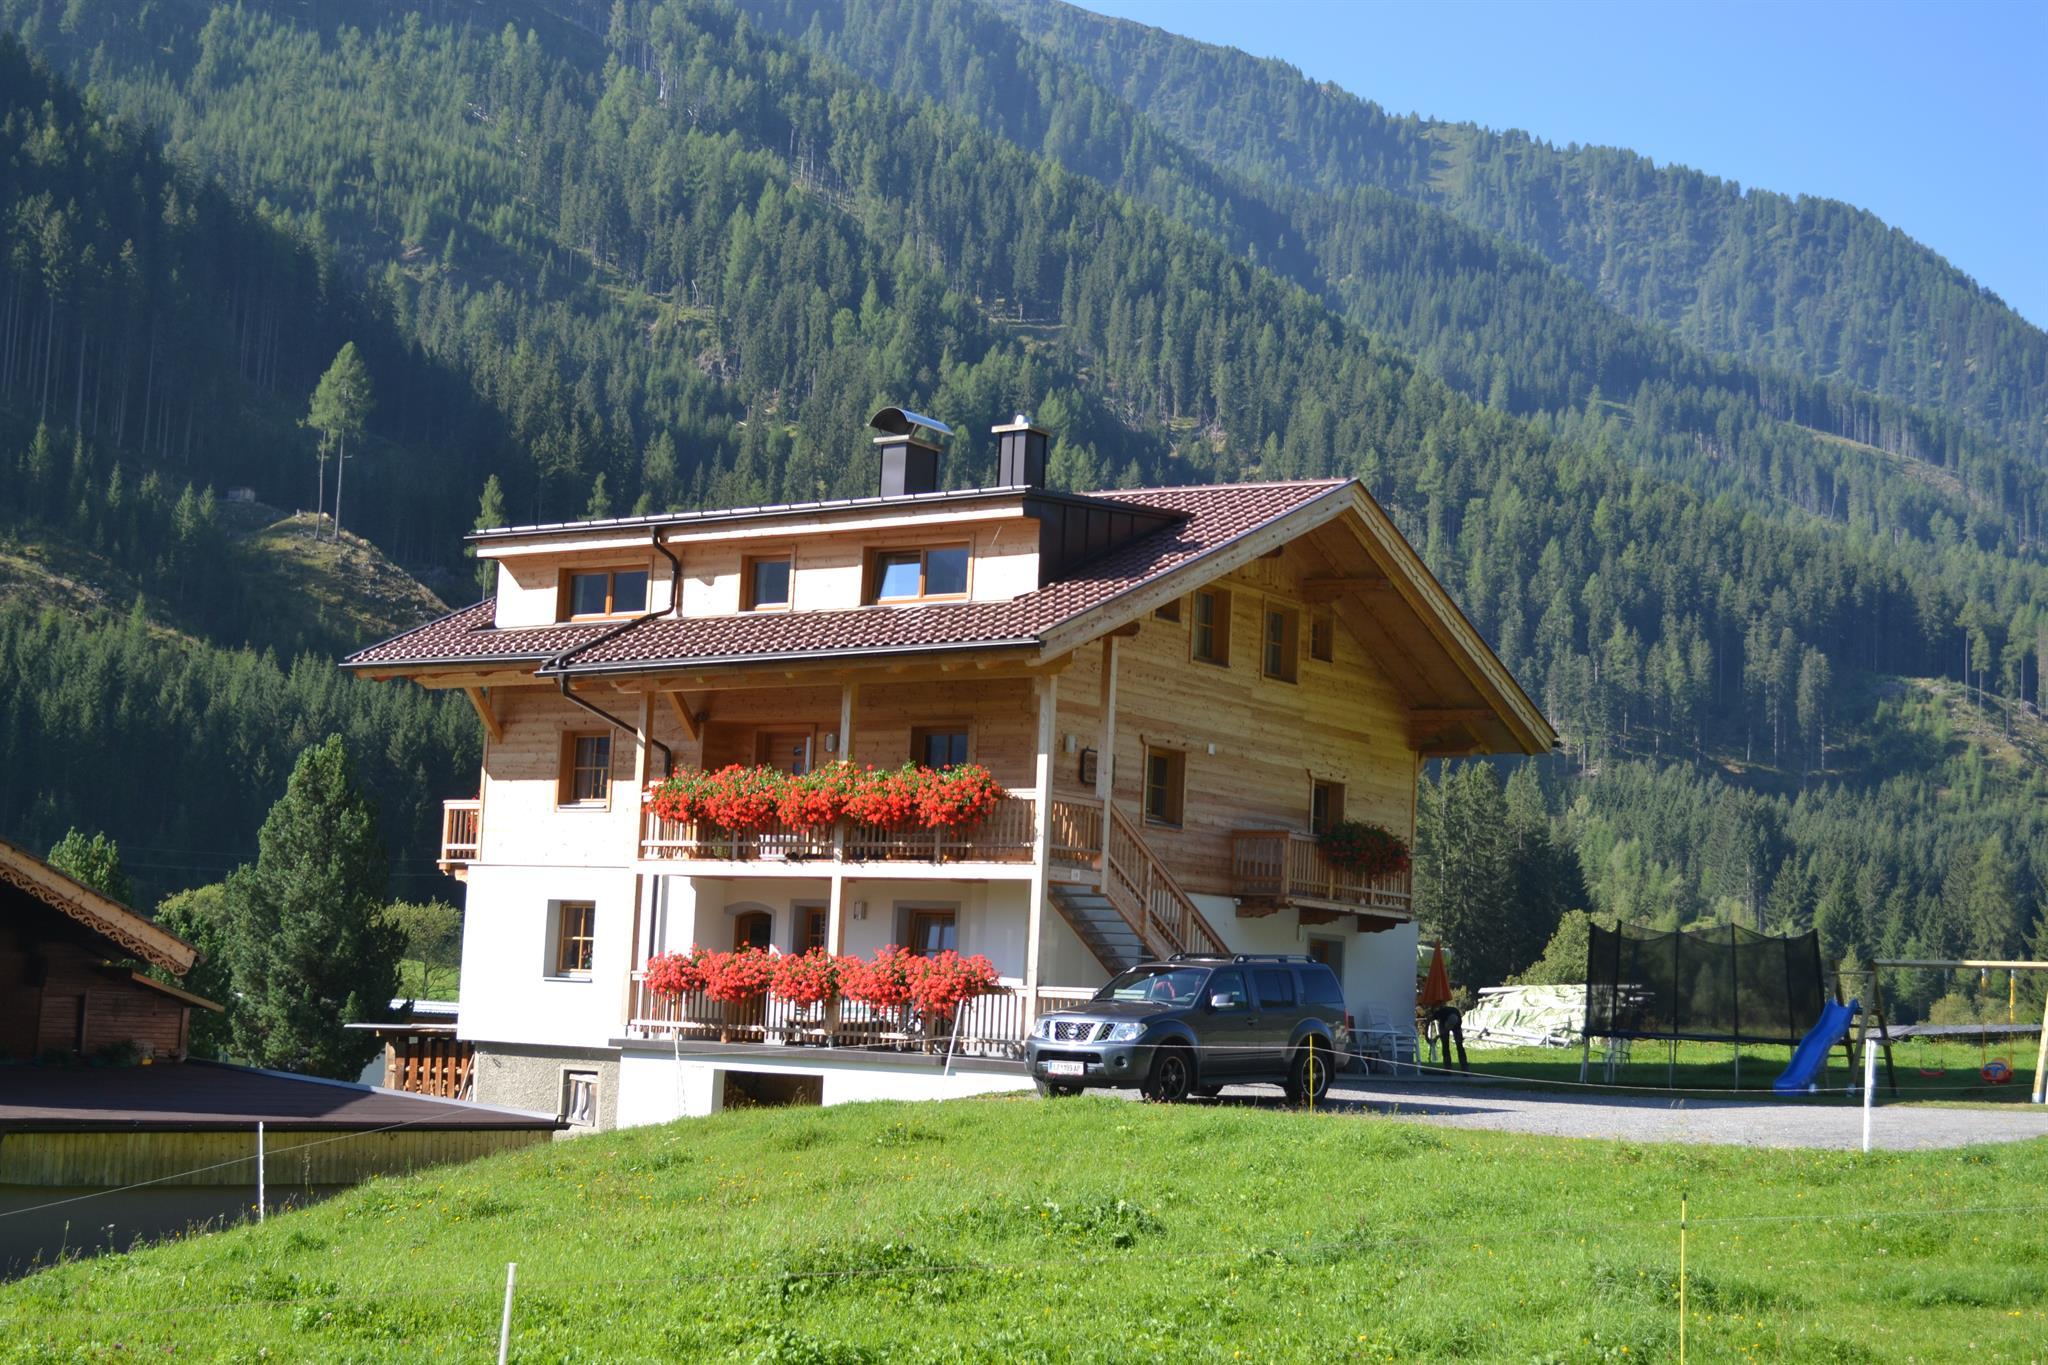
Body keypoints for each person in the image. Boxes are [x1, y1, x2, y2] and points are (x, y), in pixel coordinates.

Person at [1425, 1002, 1469, 1072]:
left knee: (1459, 1045)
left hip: (1454, 1021)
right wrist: (1426, 1037)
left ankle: (1464, 1067)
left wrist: (1437, 1037)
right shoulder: (1441, 1013)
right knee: (1445, 1045)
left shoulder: (1458, 1020)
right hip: (1444, 1020)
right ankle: (1447, 1068)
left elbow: (1447, 1030)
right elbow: (1428, 1021)